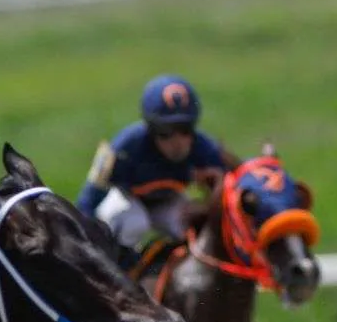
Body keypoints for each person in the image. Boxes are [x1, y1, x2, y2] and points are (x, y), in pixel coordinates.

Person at [75, 75, 232, 265]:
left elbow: (234, 183)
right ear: (150, 128)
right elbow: (90, 195)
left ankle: (173, 274)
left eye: (185, 129)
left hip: (168, 200)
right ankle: (121, 271)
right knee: (133, 222)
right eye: (165, 132)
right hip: (129, 199)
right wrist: (82, 238)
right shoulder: (125, 146)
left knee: (190, 226)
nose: (177, 142)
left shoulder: (203, 147)